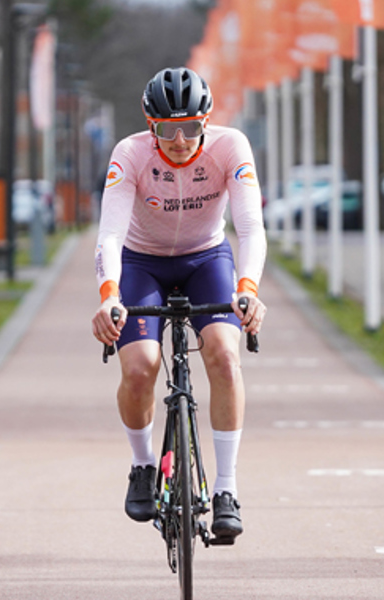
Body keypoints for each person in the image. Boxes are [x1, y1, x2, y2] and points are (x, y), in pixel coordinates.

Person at [91, 67, 267, 542]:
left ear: (206, 122)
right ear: (151, 127)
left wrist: (247, 288)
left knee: (226, 357)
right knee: (140, 368)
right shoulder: (129, 155)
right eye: (168, 130)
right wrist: (110, 295)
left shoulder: (231, 147)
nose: (181, 140)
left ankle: (226, 489)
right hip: (140, 262)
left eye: (191, 127)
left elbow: (250, 228)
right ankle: (143, 464)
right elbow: (108, 233)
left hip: (206, 258)